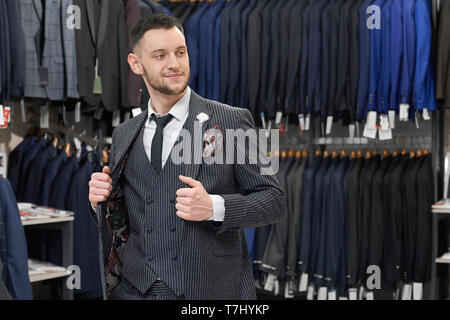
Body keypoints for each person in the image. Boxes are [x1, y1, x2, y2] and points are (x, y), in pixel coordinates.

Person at [88, 14, 286, 300]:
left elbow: (275, 200)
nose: (174, 64)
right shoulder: (124, 133)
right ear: (136, 64)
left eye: (180, 52)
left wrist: (214, 207)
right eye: (160, 55)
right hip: (131, 289)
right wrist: (99, 202)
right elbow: (123, 219)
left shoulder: (232, 120)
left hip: (204, 290)